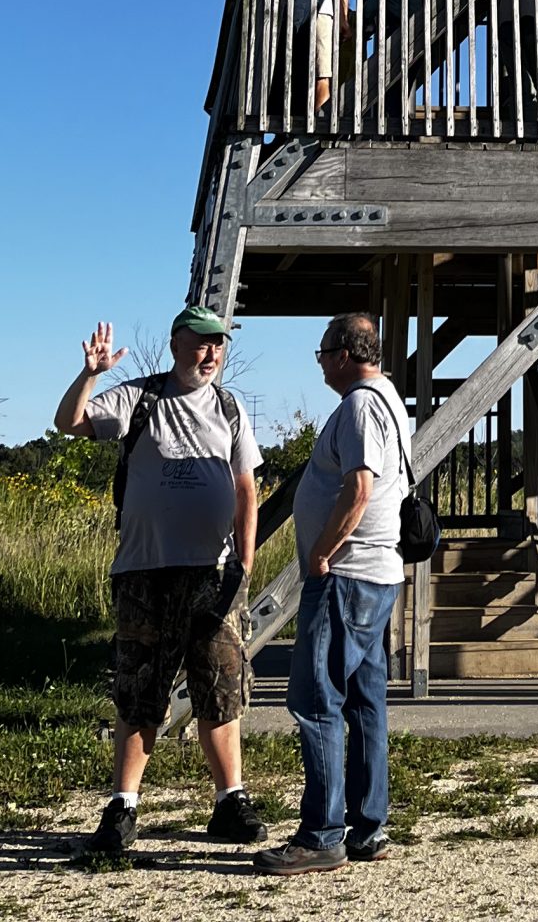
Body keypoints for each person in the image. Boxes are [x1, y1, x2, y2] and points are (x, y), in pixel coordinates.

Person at [55, 307, 267, 855]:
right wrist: (91, 375)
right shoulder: (137, 398)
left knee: (220, 687)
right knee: (139, 689)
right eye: (201, 343)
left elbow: (247, 487)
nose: (212, 353)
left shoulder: (230, 407)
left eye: (219, 345)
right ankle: (123, 807)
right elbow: (68, 424)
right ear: (177, 344)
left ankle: (230, 802)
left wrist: (244, 561)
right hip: (144, 572)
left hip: (214, 573)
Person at [253, 312, 410, 876]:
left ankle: (322, 834)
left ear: (344, 353)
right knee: (366, 702)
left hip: (347, 574)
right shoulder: (389, 399)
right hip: (377, 575)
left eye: (322, 352)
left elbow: (359, 486)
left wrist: (321, 552)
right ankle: (369, 826)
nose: (319, 362)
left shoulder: (362, 405)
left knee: (317, 700)